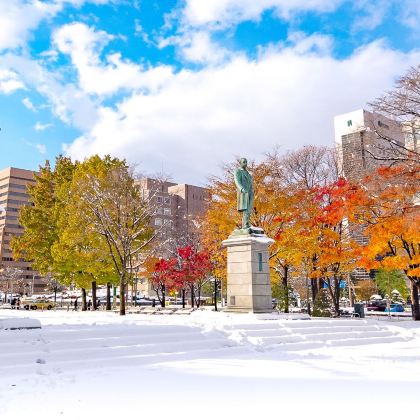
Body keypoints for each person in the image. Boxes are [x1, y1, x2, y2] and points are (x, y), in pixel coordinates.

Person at [234, 157, 254, 229]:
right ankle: (245, 224)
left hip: (250, 192)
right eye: (244, 162)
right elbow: (237, 181)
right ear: (240, 163)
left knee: (249, 209)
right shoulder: (238, 171)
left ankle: (247, 223)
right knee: (245, 208)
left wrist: (252, 191)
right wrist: (241, 189)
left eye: (246, 162)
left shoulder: (248, 173)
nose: (245, 163)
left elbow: (251, 183)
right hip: (243, 192)